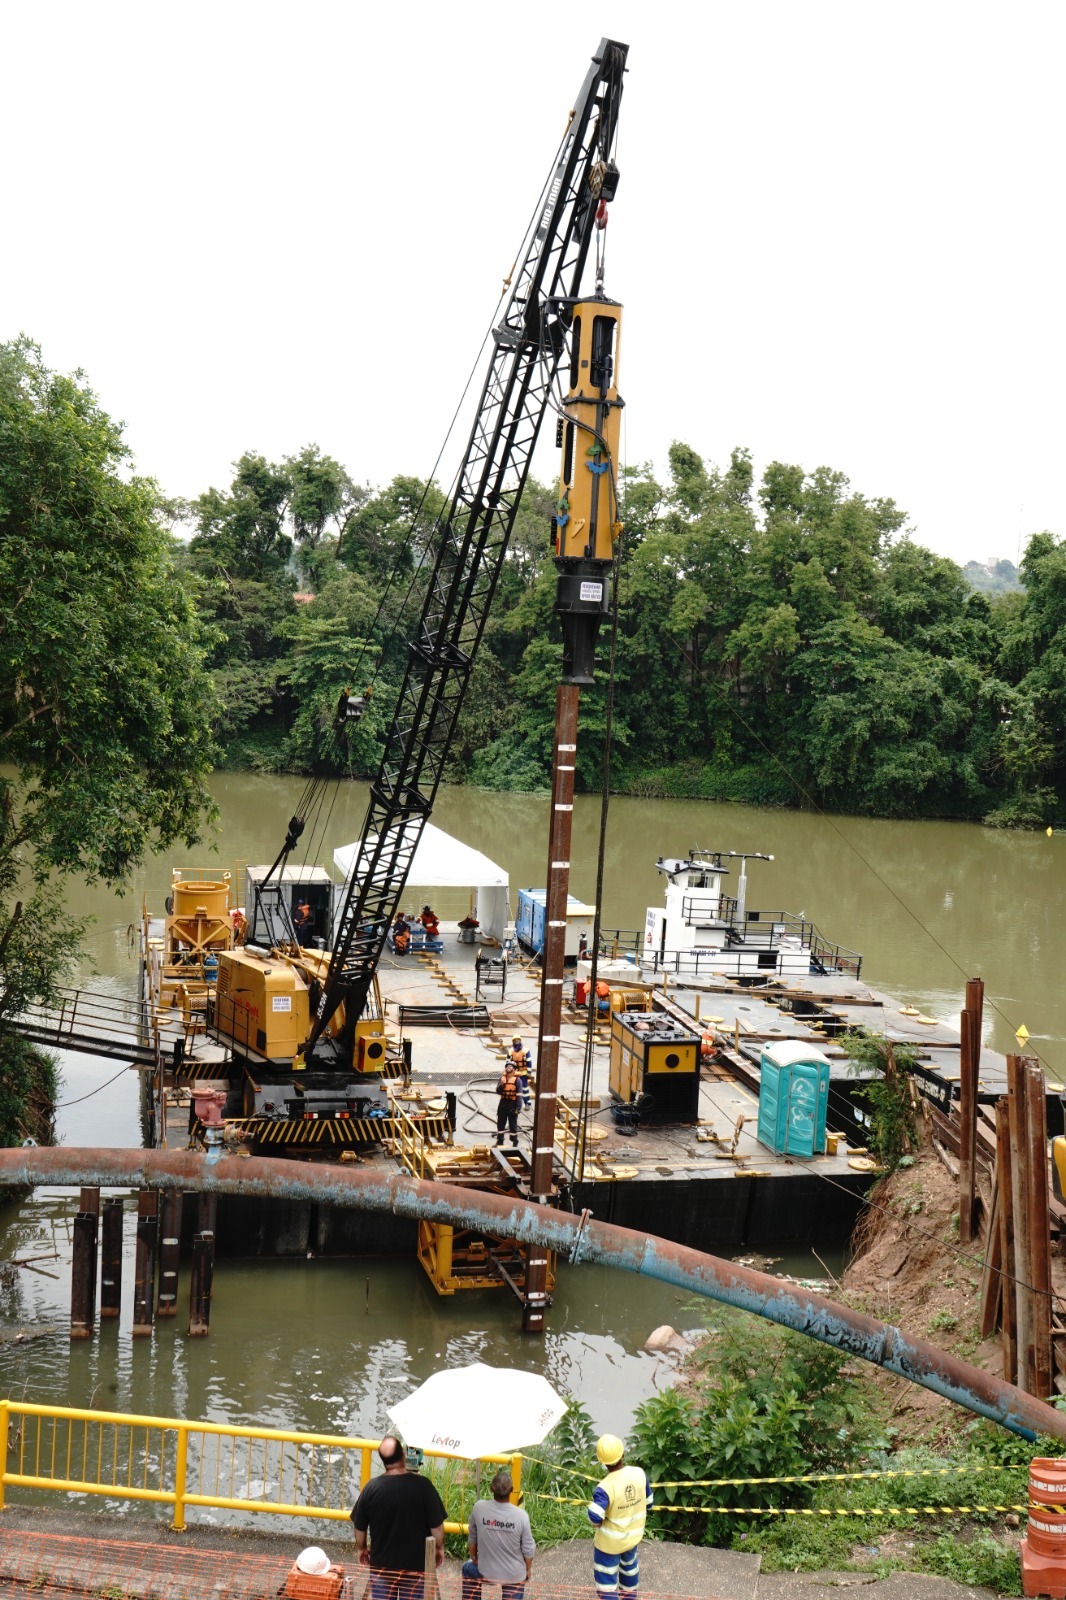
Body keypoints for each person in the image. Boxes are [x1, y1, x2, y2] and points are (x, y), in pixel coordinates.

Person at [350, 1434, 447, 1600]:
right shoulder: (423, 1486)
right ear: (403, 1455)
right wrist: (439, 1548)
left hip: (382, 1569)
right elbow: (436, 1528)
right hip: (415, 1570)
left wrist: (361, 1548)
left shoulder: (371, 1488)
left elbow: (359, 1526)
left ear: (383, 1460)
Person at [587, 1434, 652, 1599]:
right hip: (632, 1538)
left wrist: (598, 1523)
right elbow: (649, 1502)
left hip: (609, 1545)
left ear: (602, 1462)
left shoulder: (605, 1487)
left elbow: (594, 1516)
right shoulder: (639, 1474)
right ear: (622, 1454)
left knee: (606, 1583)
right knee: (630, 1571)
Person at [463, 1469, 535, 1600]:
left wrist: (473, 1557)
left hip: (485, 1570)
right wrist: (528, 1569)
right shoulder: (521, 1516)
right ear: (512, 1490)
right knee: (519, 1577)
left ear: (491, 1488)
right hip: (513, 1575)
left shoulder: (479, 1508)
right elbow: (528, 1549)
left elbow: (472, 1534)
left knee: (468, 1569)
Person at [495, 1058, 521, 1147]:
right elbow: (498, 1092)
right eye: (507, 1066)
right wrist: (502, 1085)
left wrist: (518, 1108)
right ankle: (500, 1140)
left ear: (514, 1069)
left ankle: (514, 1141)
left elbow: (519, 1095)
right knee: (500, 1123)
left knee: (513, 1124)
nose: (508, 1067)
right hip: (503, 1103)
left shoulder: (517, 1081)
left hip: (512, 1104)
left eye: (510, 1066)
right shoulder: (502, 1079)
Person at [509, 1037, 532, 1110]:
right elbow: (507, 1062)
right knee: (513, 1088)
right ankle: (515, 1104)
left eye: (518, 1040)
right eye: (515, 1040)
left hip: (523, 1073)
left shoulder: (526, 1051)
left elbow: (529, 1062)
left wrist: (529, 1072)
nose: (517, 1042)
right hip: (514, 1073)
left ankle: (527, 1103)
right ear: (513, 1042)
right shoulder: (511, 1051)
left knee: (525, 1088)